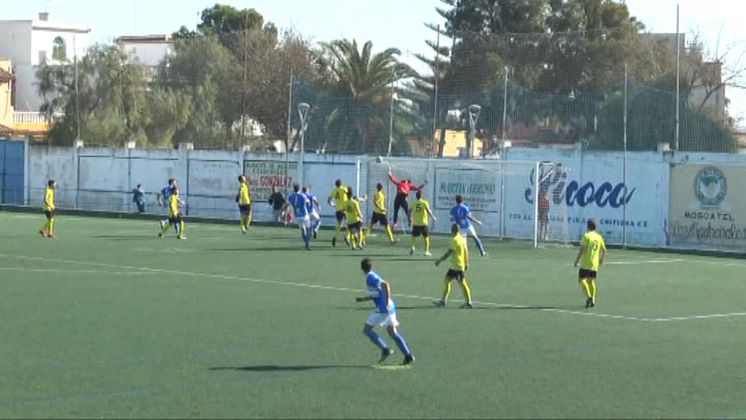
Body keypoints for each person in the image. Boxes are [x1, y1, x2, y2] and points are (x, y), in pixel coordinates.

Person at [355, 258, 415, 366]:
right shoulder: (372, 276)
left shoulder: (370, 277)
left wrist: (386, 301)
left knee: (366, 329)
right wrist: (363, 299)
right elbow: (376, 294)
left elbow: (385, 285)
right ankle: (408, 355)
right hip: (390, 308)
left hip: (383, 309)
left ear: (361, 268)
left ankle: (385, 349)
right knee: (393, 332)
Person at [434, 224, 473, 308]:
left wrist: (439, 260)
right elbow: (466, 252)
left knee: (462, 283)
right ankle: (443, 301)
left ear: (453, 231)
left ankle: (469, 302)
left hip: (457, 266)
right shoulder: (462, 239)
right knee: (447, 280)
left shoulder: (455, 240)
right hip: (456, 266)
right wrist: (466, 263)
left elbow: (448, 253)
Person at [574, 219, 607, 308]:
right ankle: (593, 299)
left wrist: (577, 260)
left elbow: (582, 249)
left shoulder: (586, 236)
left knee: (582, 280)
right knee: (591, 281)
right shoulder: (599, 237)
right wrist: (602, 260)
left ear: (588, 226)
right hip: (594, 265)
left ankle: (588, 296)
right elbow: (604, 250)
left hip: (586, 263)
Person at [410, 190, 436, 256]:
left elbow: (409, 210)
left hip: (416, 223)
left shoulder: (414, 203)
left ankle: (413, 247)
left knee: (414, 236)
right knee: (426, 237)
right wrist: (433, 217)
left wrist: (410, 218)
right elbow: (428, 211)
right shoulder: (424, 202)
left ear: (416, 196)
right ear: (421, 196)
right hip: (423, 223)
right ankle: (426, 251)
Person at [288, 184, 312, 250]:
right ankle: (307, 242)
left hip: (298, 216)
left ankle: (305, 242)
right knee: (308, 229)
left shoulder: (291, 197)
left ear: (294, 189)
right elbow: (308, 202)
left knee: (302, 230)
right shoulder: (303, 195)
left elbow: (288, 204)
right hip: (305, 215)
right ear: (299, 189)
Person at [328, 179, 349, 247]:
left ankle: (335, 237)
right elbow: (349, 193)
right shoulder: (344, 189)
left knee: (339, 225)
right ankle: (347, 236)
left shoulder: (334, 191)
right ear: (341, 184)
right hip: (345, 209)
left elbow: (328, 200)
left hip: (338, 210)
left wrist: (333, 204)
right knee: (351, 224)